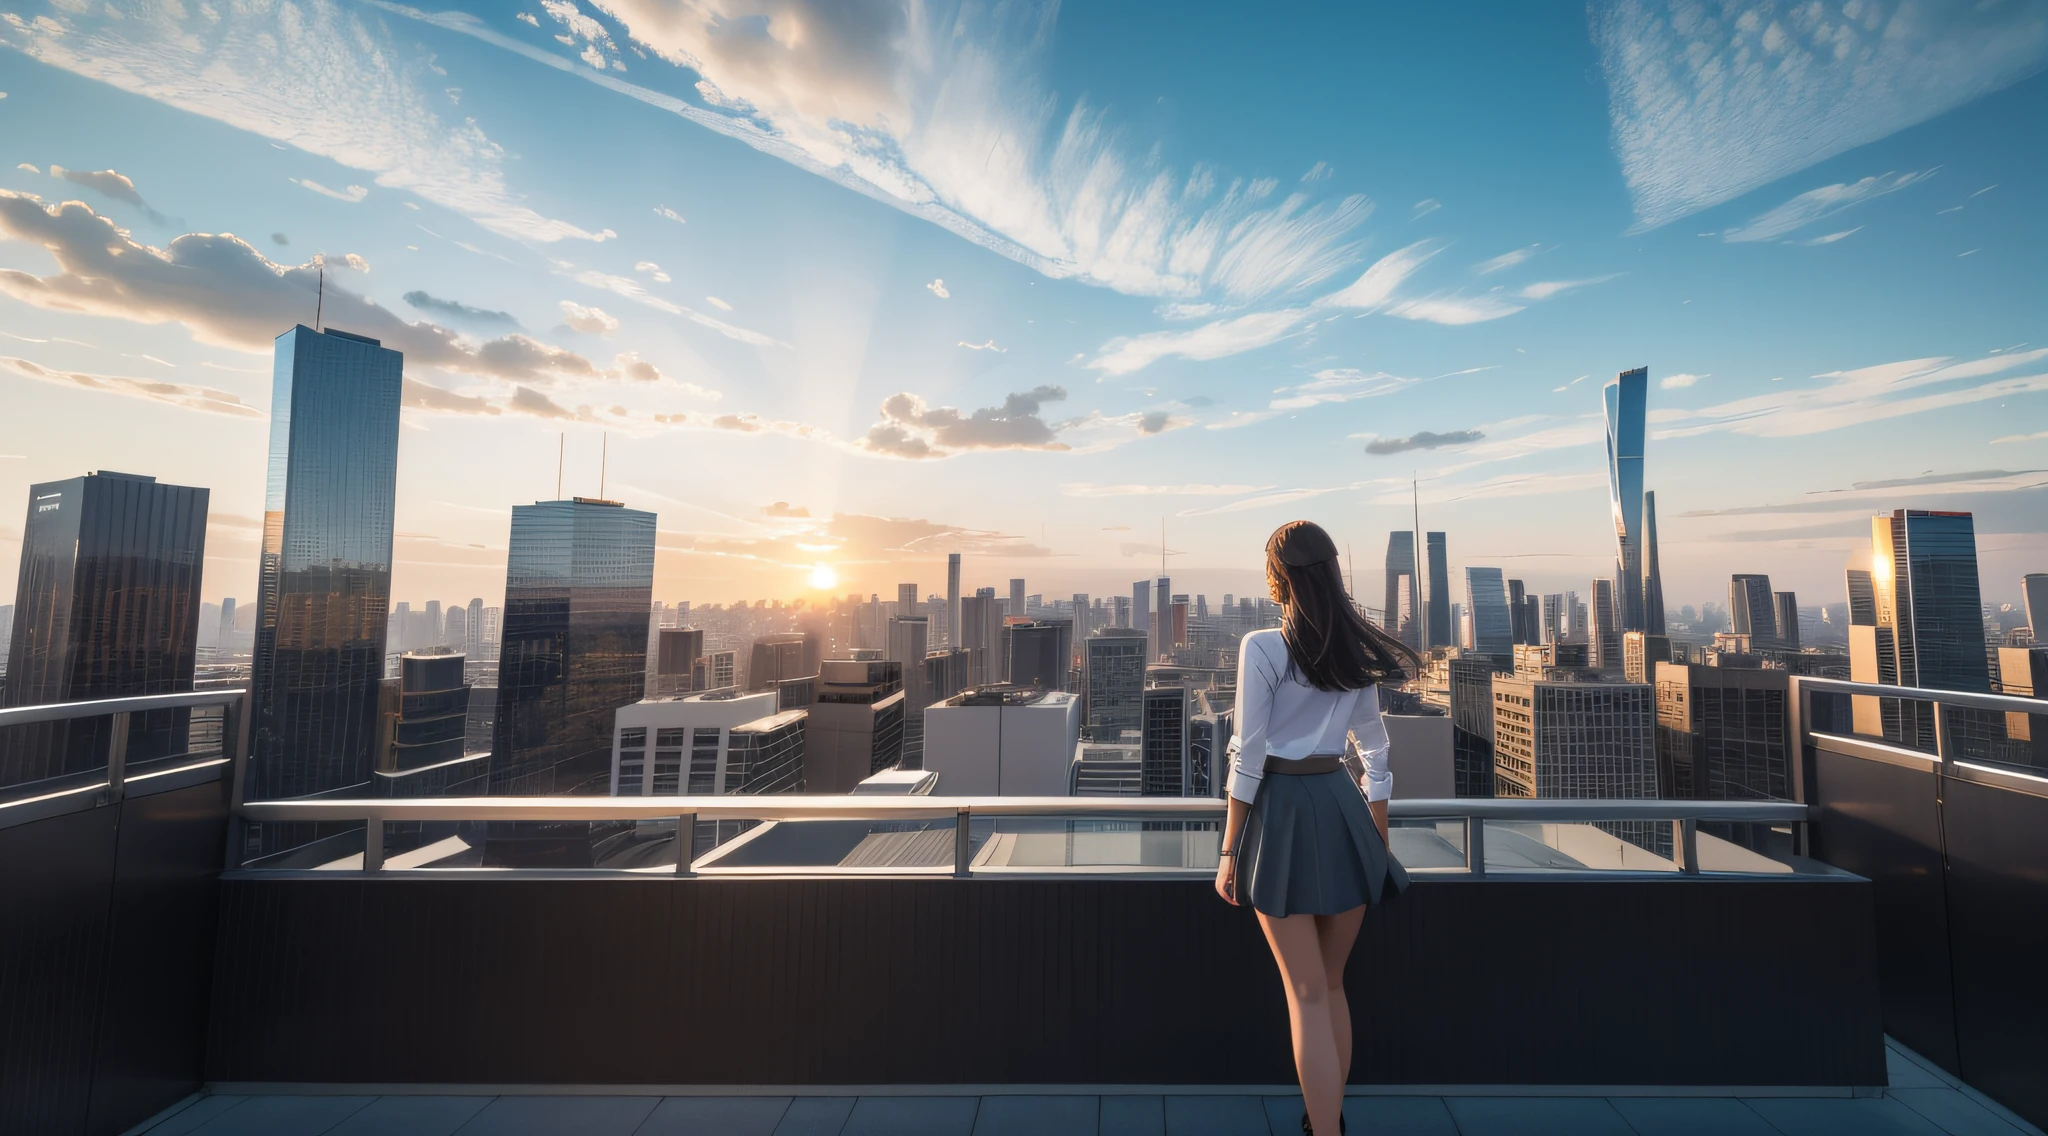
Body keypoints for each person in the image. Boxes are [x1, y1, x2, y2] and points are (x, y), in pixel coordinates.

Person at [1215, 520, 1417, 1135]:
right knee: (1331, 987)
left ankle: (1324, 1131)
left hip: (1280, 814)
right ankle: (1328, 1122)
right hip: (1344, 811)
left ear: (1279, 577)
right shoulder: (1351, 653)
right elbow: (1375, 753)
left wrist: (1228, 850)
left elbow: (1248, 757)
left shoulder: (1263, 648)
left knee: (1303, 995)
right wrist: (1375, 834)